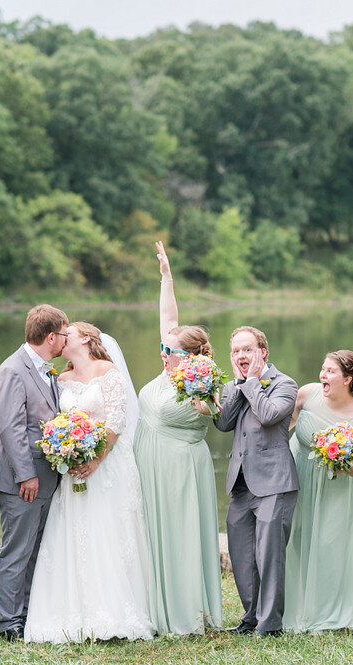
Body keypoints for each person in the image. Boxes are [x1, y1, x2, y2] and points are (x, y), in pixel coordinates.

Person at [24, 322, 156, 643]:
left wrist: (95, 458)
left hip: (109, 465)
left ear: (85, 338)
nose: (60, 338)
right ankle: (74, 613)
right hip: (73, 467)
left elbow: (116, 421)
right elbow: (54, 421)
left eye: (66, 333)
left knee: (107, 530)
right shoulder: (61, 379)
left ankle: (115, 614)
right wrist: (65, 450)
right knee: (76, 533)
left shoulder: (108, 371)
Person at [133, 241, 223, 635]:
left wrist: (206, 398)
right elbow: (168, 319)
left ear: (189, 357)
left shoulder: (200, 379)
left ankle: (185, 614)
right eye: (163, 348)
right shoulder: (169, 369)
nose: (163, 354)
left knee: (179, 535)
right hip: (148, 464)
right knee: (150, 534)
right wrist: (166, 276)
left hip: (179, 469)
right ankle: (151, 607)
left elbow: (213, 410)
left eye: (170, 351)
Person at [0, 304, 69, 641]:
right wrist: (26, 475)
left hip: (45, 477)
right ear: (51, 337)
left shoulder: (45, 370)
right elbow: (10, 429)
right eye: (64, 334)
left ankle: (28, 615)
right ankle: (8, 623)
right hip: (21, 480)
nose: (66, 341)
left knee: (36, 550)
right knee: (16, 551)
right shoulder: (12, 370)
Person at [213, 326, 298, 636]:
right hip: (240, 483)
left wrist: (251, 383)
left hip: (275, 482)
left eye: (247, 350)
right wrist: (239, 385)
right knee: (242, 554)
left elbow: (268, 415)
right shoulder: (233, 386)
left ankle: (270, 624)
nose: (240, 356)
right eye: (235, 351)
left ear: (263, 351)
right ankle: (250, 618)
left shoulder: (285, 384)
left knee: (269, 555)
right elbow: (222, 423)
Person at [284, 350, 353, 634]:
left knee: (328, 546)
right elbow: (282, 427)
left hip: (336, 490)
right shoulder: (307, 394)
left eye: (331, 371)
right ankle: (294, 606)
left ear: (348, 379)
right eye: (323, 369)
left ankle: (327, 612)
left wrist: (343, 463)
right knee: (296, 541)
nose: (323, 375)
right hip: (298, 476)